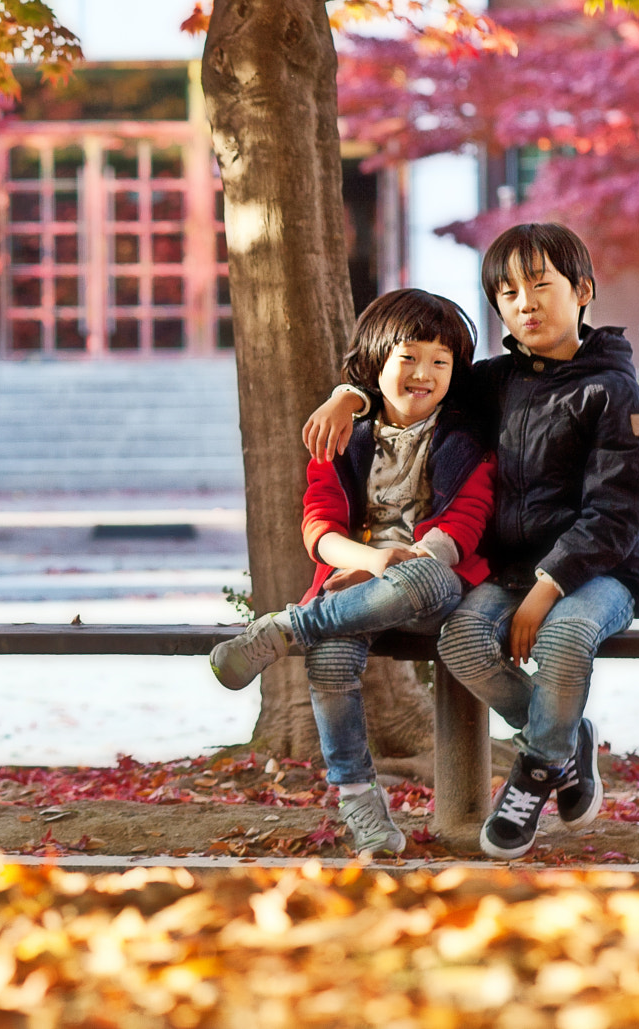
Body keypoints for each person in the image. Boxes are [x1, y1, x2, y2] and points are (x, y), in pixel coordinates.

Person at [302, 222, 639, 860]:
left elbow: (616, 510)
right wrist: (345, 396)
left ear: (583, 291)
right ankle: (568, 738)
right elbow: (410, 374)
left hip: (596, 572)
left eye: (541, 286)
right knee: (461, 640)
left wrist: (548, 590)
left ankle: (537, 768)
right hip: (509, 569)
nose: (526, 303)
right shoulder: (492, 381)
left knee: (567, 637)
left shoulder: (613, 392)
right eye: (508, 293)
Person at [210, 288, 494, 857]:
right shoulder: (341, 438)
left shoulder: (468, 438)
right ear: (376, 363)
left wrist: (399, 562)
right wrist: (370, 562)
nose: (424, 373)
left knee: (429, 575)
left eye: (441, 362)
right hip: (352, 591)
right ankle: (359, 802)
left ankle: (289, 627)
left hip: (432, 588)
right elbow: (319, 529)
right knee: (333, 656)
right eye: (408, 357)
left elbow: (462, 528)